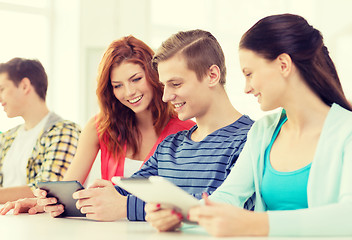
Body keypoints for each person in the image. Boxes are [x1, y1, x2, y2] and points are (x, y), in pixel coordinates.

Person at [1, 30, 254, 222]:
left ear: (212, 75)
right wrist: (56, 201)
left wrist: (124, 208)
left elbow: (226, 208)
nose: (165, 96)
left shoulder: (252, 139)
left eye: (175, 84)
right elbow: (124, 189)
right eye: (165, 86)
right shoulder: (170, 146)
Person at [187, 14, 352, 237]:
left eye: (249, 74)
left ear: (283, 64)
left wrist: (254, 224)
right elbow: (227, 196)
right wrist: (185, 215)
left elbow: (347, 217)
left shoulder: (346, 131)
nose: (247, 88)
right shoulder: (263, 131)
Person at [0, 58, 81, 204]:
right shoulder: (7, 137)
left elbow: (48, 189)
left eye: (2, 89)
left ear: (25, 86)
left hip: (38, 222)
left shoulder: (64, 131)